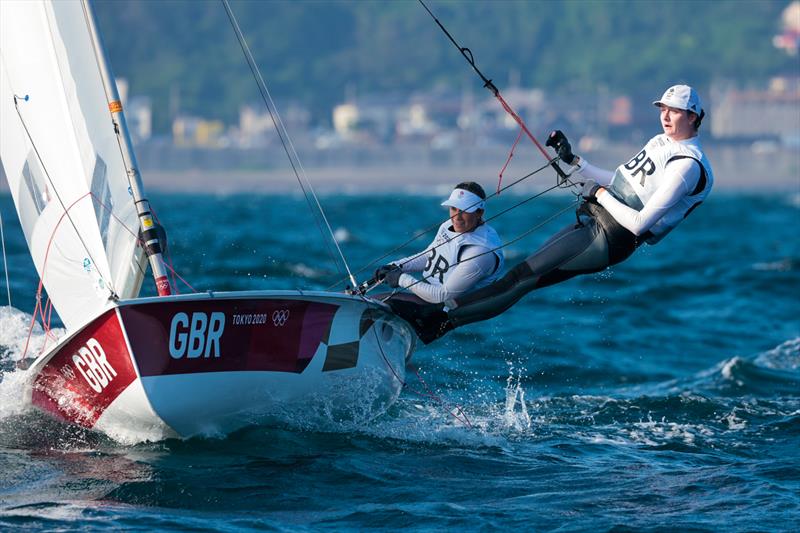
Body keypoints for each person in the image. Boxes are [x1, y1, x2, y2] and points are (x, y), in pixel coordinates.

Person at [394, 84, 714, 344]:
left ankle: (436, 321)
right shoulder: (662, 142)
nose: (666, 116)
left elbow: (638, 223)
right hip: (596, 223)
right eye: (663, 109)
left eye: (674, 111)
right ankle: (437, 322)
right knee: (522, 280)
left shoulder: (687, 165)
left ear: (693, 116)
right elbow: (620, 181)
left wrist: (599, 194)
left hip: (611, 237)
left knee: (521, 277)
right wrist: (574, 161)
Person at [375, 181, 504, 305]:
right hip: (428, 296)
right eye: (454, 208)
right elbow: (429, 256)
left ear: (479, 212)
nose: (457, 217)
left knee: (379, 303)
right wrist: (397, 266)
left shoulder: (480, 253)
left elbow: (443, 296)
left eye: (464, 210)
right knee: (374, 300)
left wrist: (401, 279)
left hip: (446, 308)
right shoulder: (448, 225)